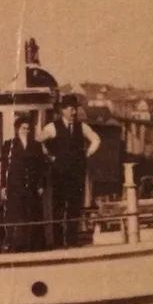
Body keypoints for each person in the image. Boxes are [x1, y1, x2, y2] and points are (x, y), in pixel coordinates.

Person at [39, 94, 101, 248]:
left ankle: (72, 241)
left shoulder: (82, 127)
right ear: (63, 110)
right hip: (59, 174)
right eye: (71, 109)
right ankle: (58, 242)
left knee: (74, 207)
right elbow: (38, 141)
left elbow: (96, 140)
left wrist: (87, 154)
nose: (74, 112)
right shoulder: (52, 127)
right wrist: (50, 157)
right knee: (58, 207)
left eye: (75, 109)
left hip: (76, 174)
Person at [0, 115, 47, 251]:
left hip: (31, 185)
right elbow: (4, 167)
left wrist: (41, 184)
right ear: (17, 129)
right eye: (23, 128)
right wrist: (3, 186)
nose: (26, 131)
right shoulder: (9, 145)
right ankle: (15, 245)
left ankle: (32, 245)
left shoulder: (36, 145)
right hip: (15, 186)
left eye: (28, 129)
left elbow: (41, 167)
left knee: (31, 213)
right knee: (16, 214)